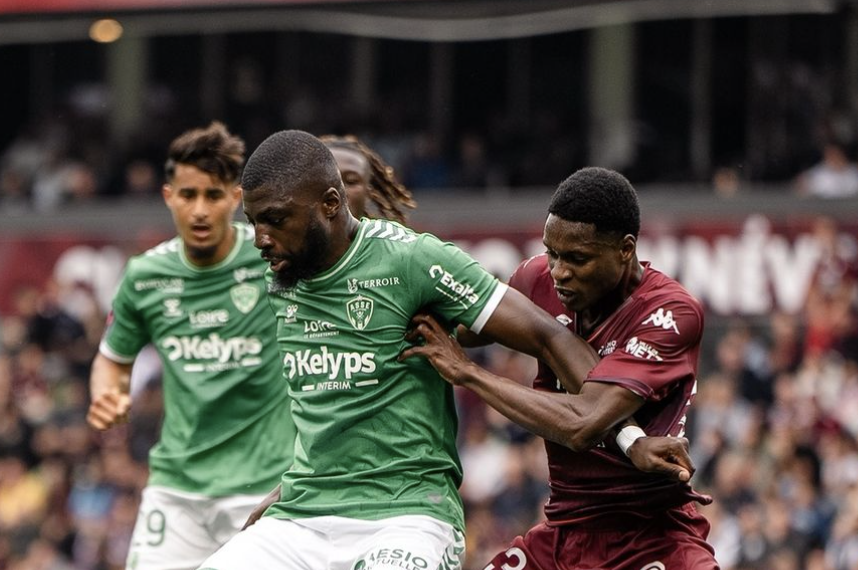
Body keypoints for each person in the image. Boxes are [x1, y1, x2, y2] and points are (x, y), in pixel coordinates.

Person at [198, 131, 695, 570]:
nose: (260, 238)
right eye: (255, 221)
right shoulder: (277, 272)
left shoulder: (412, 261)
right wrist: (293, 486)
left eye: (275, 220)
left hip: (410, 515)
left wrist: (628, 437)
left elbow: (568, 376)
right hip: (307, 516)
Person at [404, 166, 719, 569]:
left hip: (651, 536)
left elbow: (583, 423)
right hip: (562, 533)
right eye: (551, 253)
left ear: (625, 250)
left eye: (577, 258)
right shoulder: (536, 279)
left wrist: (469, 374)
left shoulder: (671, 314)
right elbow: (456, 327)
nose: (558, 272)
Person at [86, 122, 295, 570]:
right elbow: (112, 359)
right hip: (177, 491)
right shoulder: (145, 276)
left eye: (213, 195)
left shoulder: (272, 262)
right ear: (168, 197)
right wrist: (108, 391)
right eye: (188, 195)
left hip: (263, 488)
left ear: (236, 199)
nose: (200, 210)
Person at [320, 134, 416, 225]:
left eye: (351, 181)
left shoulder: (388, 241)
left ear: (368, 191)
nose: (339, 191)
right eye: (327, 179)